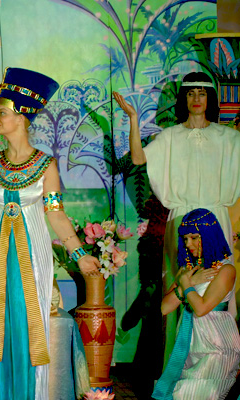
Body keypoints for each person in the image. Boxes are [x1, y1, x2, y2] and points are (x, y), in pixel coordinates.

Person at [0, 67, 100, 399]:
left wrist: (79, 255)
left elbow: (56, 215)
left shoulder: (46, 166)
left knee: (29, 324)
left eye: (1, 113)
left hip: (33, 258)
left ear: (21, 117)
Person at [113, 71, 240, 365]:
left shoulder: (229, 138)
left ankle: (220, 362)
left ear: (210, 98)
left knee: (217, 286)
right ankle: (178, 364)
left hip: (216, 218)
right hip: (182, 221)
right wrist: (133, 118)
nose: (196, 99)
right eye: (190, 93)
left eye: (202, 93)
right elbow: (138, 158)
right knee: (180, 285)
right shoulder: (170, 136)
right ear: (184, 99)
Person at [152, 208, 240, 399]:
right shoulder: (188, 269)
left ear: (209, 235)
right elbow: (165, 307)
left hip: (216, 348)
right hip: (190, 346)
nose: (188, 244)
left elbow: (200, 308)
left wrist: (186, 284)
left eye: (194, 237)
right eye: (185, 239)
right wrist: (188, 283)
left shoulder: (226, 270)